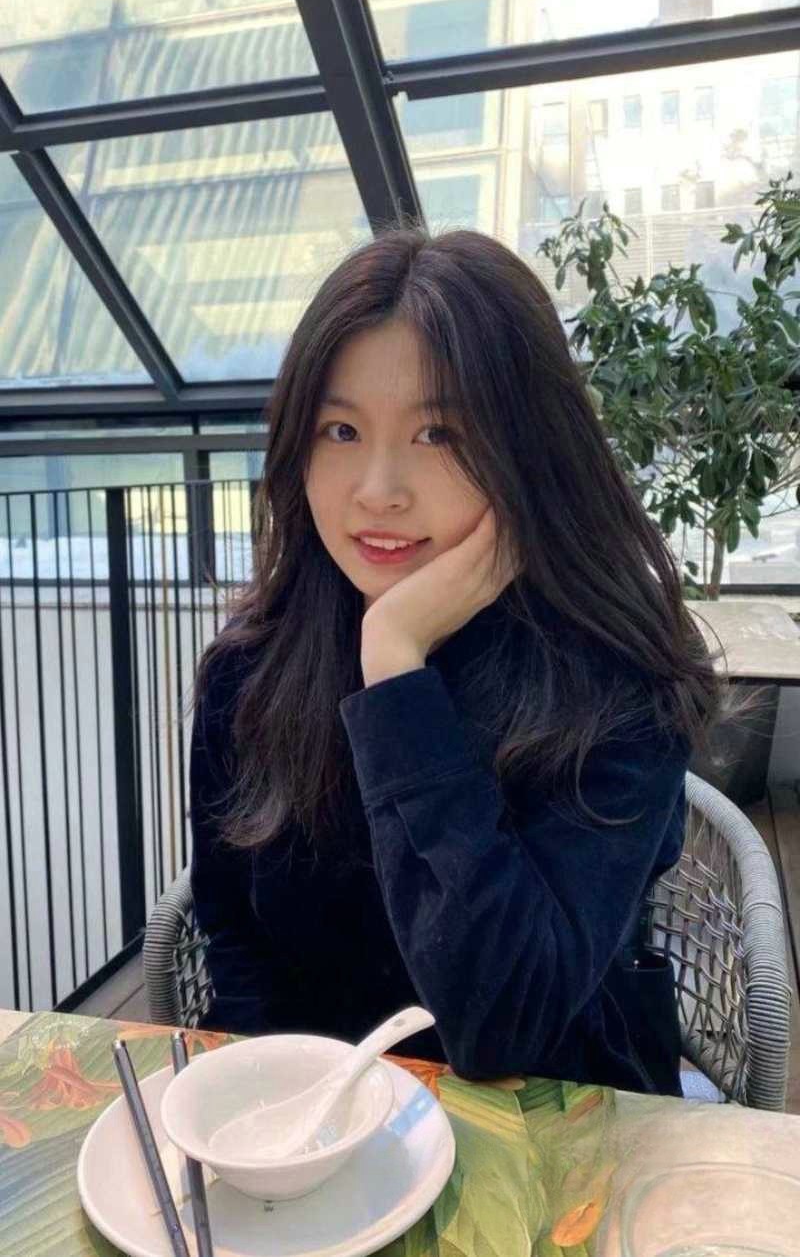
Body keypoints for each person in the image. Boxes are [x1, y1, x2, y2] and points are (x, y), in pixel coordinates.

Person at [190, 225, 723, 1096]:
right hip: (312, 1128)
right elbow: (233, 938)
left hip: (557, 1117)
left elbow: (504, 1024)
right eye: (340, 429)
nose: (378, 490)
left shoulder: (617, 682)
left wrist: (396, 669)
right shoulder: (251, 671)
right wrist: (261, 1114)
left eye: (439, 434)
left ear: (530, 452)